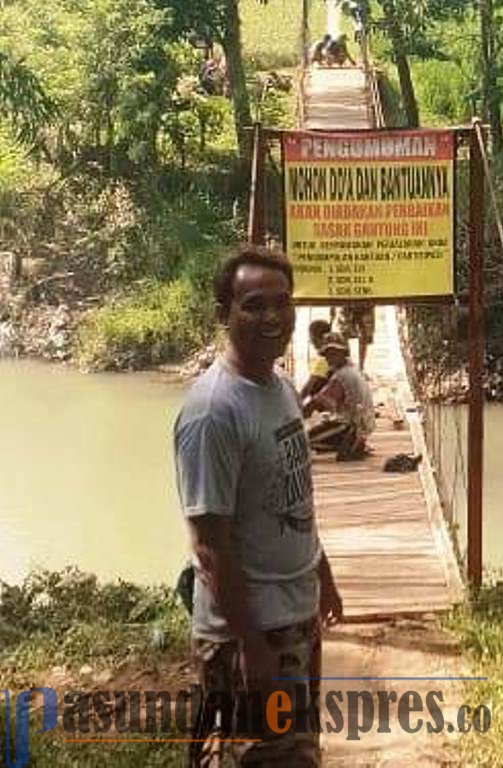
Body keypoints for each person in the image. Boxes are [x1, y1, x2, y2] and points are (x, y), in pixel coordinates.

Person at [174, 244, 342, 767]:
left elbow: (294, 498)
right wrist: (251, 645)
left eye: (282, 302)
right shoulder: (213, 414)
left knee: (296, 752)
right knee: (255, 758)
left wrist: (323, 574)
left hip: (293, 618)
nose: (272, 316)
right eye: (253, 304)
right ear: (224, 315)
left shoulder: (281, 388)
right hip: (250, 631)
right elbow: (210, 546)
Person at [303, 334, 375, 460]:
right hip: (362, 424)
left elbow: (315, 403)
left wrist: (298, 415)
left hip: (350, 427)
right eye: (328, 354)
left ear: (343, 353)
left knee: (304, 441)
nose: (330, 357)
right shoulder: (353, 369)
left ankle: (349, 443)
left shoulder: (342, 376)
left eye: (334, 353)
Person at [299, 319, 333, 401]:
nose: (311, 342)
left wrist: (296, 403)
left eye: (312, 338)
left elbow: (307, 389)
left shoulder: (324, 360)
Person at [337, 303, 374, 371]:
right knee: (344, 333)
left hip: (365, 302)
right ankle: (348, 366)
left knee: (364, 333)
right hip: (346, 302)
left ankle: (360, 368)